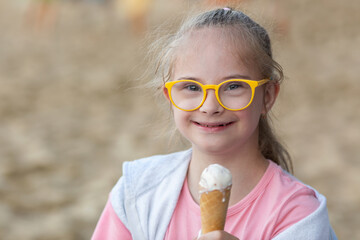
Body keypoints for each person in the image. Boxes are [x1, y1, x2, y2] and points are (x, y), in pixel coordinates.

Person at [92, 7, 337, 240]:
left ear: (268, 96)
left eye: (233, 86)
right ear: (170, 97)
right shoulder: (136, 193)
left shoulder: (297, 213)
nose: (210, 106)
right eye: (191, 87)